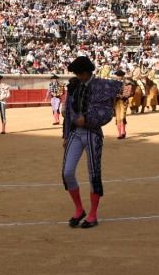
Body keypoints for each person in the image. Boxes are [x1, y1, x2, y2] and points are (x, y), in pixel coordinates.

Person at [61, 56, 118, 229]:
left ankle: (93, 214)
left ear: (87, 72)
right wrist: (65, 135)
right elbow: (69, 114)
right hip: (75, 133)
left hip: (92, 133)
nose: (78, 76)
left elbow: (107, 112)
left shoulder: (102, 86)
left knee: (94, 173)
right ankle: (79, 209)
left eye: (80, 73)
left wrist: (86, 119)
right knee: (67, 172)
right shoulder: (74, 86)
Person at [112, 70, 134, 139]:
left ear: (122, 76)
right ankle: (119, 133)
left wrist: (120, 95)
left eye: (119, 76)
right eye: (117, 76)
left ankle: (123, 132)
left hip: (123, 101)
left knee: (122, 116)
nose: (118, 77)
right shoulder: (114, 83)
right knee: (118, 117)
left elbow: (129, 93)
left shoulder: (127, 83)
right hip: (116, 102)